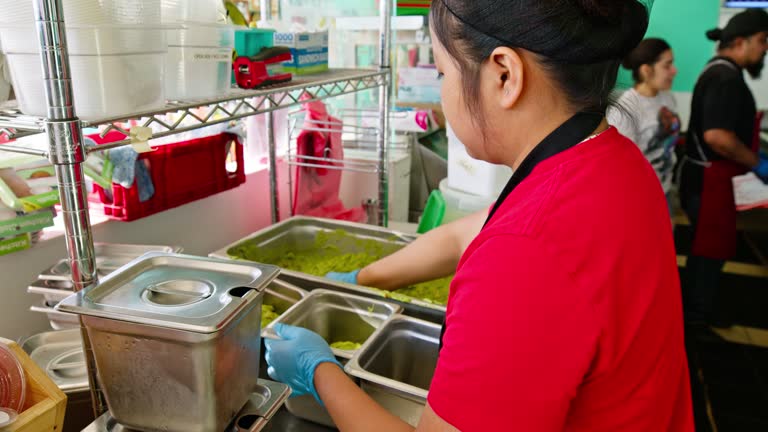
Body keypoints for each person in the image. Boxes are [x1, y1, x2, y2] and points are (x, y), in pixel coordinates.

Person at [265, 1, 694, 430]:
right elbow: (461, 237)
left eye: (442, 73)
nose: (442, 92)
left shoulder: (525, 252)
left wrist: (320, 374)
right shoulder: (613, 162)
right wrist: (362, 280)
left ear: (504, 75)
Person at [679, 9, 768, 326]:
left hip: (707, 178)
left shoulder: (719, 71)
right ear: (741, 42)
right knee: (707, 251)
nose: (765, 49)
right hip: (709, 181)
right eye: (762, 41)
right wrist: (757, 162)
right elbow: (717, 136)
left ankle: (696, 310)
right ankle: (695, 317)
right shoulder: (725, 77)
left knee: (708, 250)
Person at [608, 38, 681, 213]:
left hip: (664, 189)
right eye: (667, 65)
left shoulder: (666, 98)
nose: (674, 71)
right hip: (639, 197)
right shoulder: (626, 109)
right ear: (646, 70)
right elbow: (621, 166)